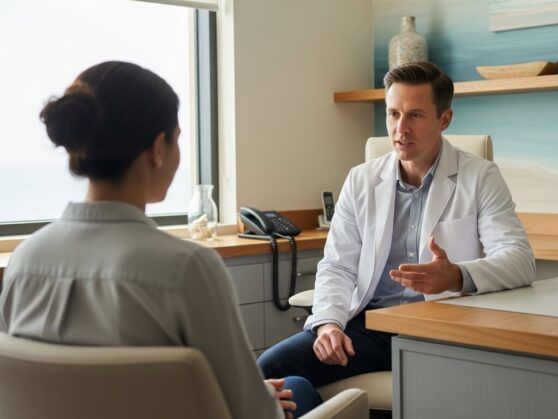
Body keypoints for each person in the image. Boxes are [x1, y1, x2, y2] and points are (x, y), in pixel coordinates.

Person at [0, 61, 320, 419]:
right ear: (157, 148)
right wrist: (262, 399)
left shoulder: (25, 261)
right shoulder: (186, 268)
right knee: (299, 389)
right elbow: (250, 413)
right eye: (178, 137)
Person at [258, 61, 535, 389]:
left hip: (443, 328)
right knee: (270, 369)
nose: (400, 128)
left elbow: (520, 261)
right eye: (393, 114)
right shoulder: (361, 179)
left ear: (444, 119)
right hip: (371, 327)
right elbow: (338, 266)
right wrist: (329, 324)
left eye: (415, 115)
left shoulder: (480, 176)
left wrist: (458, 275)